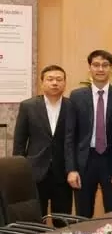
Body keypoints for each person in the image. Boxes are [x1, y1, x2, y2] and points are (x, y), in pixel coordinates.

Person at [65, 49, 112, 217]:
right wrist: (71, 169)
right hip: (85, 162)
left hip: (111, 159)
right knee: (83, 212)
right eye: (96, 65)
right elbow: (70, 135)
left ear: (111, 69)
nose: (100, 69)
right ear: (89, 68)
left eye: (105, 65)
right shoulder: (77, 96)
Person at [13, 65, 74, 217]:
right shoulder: (28, 106)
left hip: (63, 172)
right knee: (35, 217)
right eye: (50, 79)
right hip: (35, 171)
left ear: (65, 83)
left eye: (59, 79)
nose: (55, 83)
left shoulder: (72, 106)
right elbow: (20, 141)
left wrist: (73, 169)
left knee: (62, 218)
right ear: (42, 83)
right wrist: (20, 171)